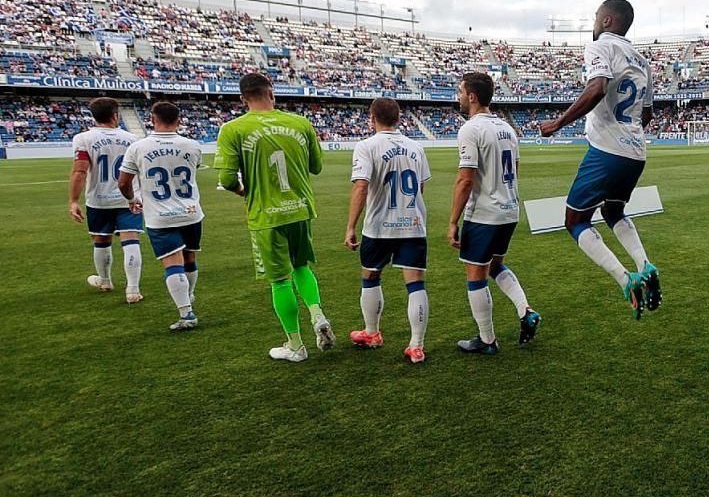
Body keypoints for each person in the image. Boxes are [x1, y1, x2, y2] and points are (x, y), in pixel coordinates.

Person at [539, 0, 661, 319]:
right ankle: (644, 264)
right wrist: (627, 131)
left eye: (596, 17)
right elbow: (646, 113)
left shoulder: (599, 47)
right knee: (613, 210)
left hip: (606, 150)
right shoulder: (642, 60)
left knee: (575, 221)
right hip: (635, 152)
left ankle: (626, 279)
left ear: (606, 21)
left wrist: (558, 123)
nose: (593, 23)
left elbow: (596, 88)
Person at [215, 72, 334, 362]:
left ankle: (295, 346)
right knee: (301, 267)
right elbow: (316, 166)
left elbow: (227, 178)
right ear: (272, 93)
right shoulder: (300, 123)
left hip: (266, 214)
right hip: (301, 209)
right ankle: (317, 314)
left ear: (243, 99)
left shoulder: (233, 129)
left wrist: (245, 191)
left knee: (279, 280)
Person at [449, 72, 540, 354]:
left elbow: (465, 179)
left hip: (484, 215)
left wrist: (453, 221)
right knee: (496, 265)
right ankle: (525, 310)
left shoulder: (471, 129)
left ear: (472, 97)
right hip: (509, 210)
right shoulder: (507, 129)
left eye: (461, 92)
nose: (459, 97)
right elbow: (516, 169)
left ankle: (487, 340)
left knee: (476, 273)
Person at [344, 98, 433, 363]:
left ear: (372, 118)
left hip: (380, 226)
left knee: (371, 277)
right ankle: (416, 346)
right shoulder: (416, 147)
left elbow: (361, 186)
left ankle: (372, 333)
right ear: (398, 118)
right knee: (415, 284)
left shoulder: (366, 146)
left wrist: (350, 226)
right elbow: (420, 187)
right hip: (413, 223)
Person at [117, 101, 204, 331]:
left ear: (152, 119)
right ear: (178, 120)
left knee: (172, 264)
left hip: (160, 215)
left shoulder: (138, 147)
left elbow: (124, 182)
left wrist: (131, 199)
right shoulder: (192, 145)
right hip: (191, 212)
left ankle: (187, 314)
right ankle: (189, 294)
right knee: (190, 258)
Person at [68, 97, 144, 302]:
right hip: (128, 198)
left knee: (101, 240)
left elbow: (80, 171)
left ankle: (105, 280)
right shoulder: (133, 139)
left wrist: (73, 200)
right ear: (115, 115)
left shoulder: (83, 139)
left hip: (98, 199)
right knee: (131, 240)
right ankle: (133, 290)